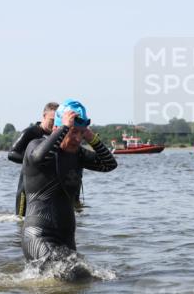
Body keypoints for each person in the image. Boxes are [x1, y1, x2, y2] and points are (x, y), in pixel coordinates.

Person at [21, 100, 117, 264]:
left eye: (81, 133)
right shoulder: (35, 145)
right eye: (73, 132)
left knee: (80, 282)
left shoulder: (77, 154)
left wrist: (91, 138)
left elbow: (109, 164)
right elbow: (38, 158)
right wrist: (65, 127)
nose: (77, 138)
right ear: (57, 128)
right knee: (68, 274)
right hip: (38, 234)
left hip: (66, 237)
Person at [8, 102, 58, 216]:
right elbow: (11, 154)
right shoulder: (31, 132)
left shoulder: (59, 135)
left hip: (47, 188)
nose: (55, 124)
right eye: (52, 120)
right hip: (27, 187)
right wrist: (32, 161)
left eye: (57, 120)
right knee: (21, 221)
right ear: (44, 116)